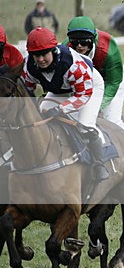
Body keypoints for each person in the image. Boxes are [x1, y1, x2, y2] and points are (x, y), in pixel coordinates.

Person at [64, 16, 124, 170]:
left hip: (110, 81)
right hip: (83, 83)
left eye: (84, 41)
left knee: (113, 121)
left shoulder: (108, 49)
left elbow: (113, 82)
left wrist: (99, 107)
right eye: (75, 41)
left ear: (93, 39)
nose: (79, 46)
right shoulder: (65, 49)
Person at [22, 27, 109, 180]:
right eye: (36, 55)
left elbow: (83, 94)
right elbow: (27, 92)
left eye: (44, 54)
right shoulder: (28, 67)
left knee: (85, 125)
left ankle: (99, 163)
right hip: (61, 89)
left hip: (89, 86)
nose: (40, 59)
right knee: (42, 115)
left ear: (53, 51)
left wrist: (61, 108)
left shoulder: (72, 65)